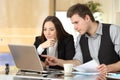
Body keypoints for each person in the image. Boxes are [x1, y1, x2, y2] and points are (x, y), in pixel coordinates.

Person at [42, 3, 120, 74]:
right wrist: (58, 62)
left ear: (87, 18)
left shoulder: (113, 31)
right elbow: (78, 62)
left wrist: (109, 68)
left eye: (76, 22)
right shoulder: (80, 38)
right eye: (73, 24)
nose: (75, 27)